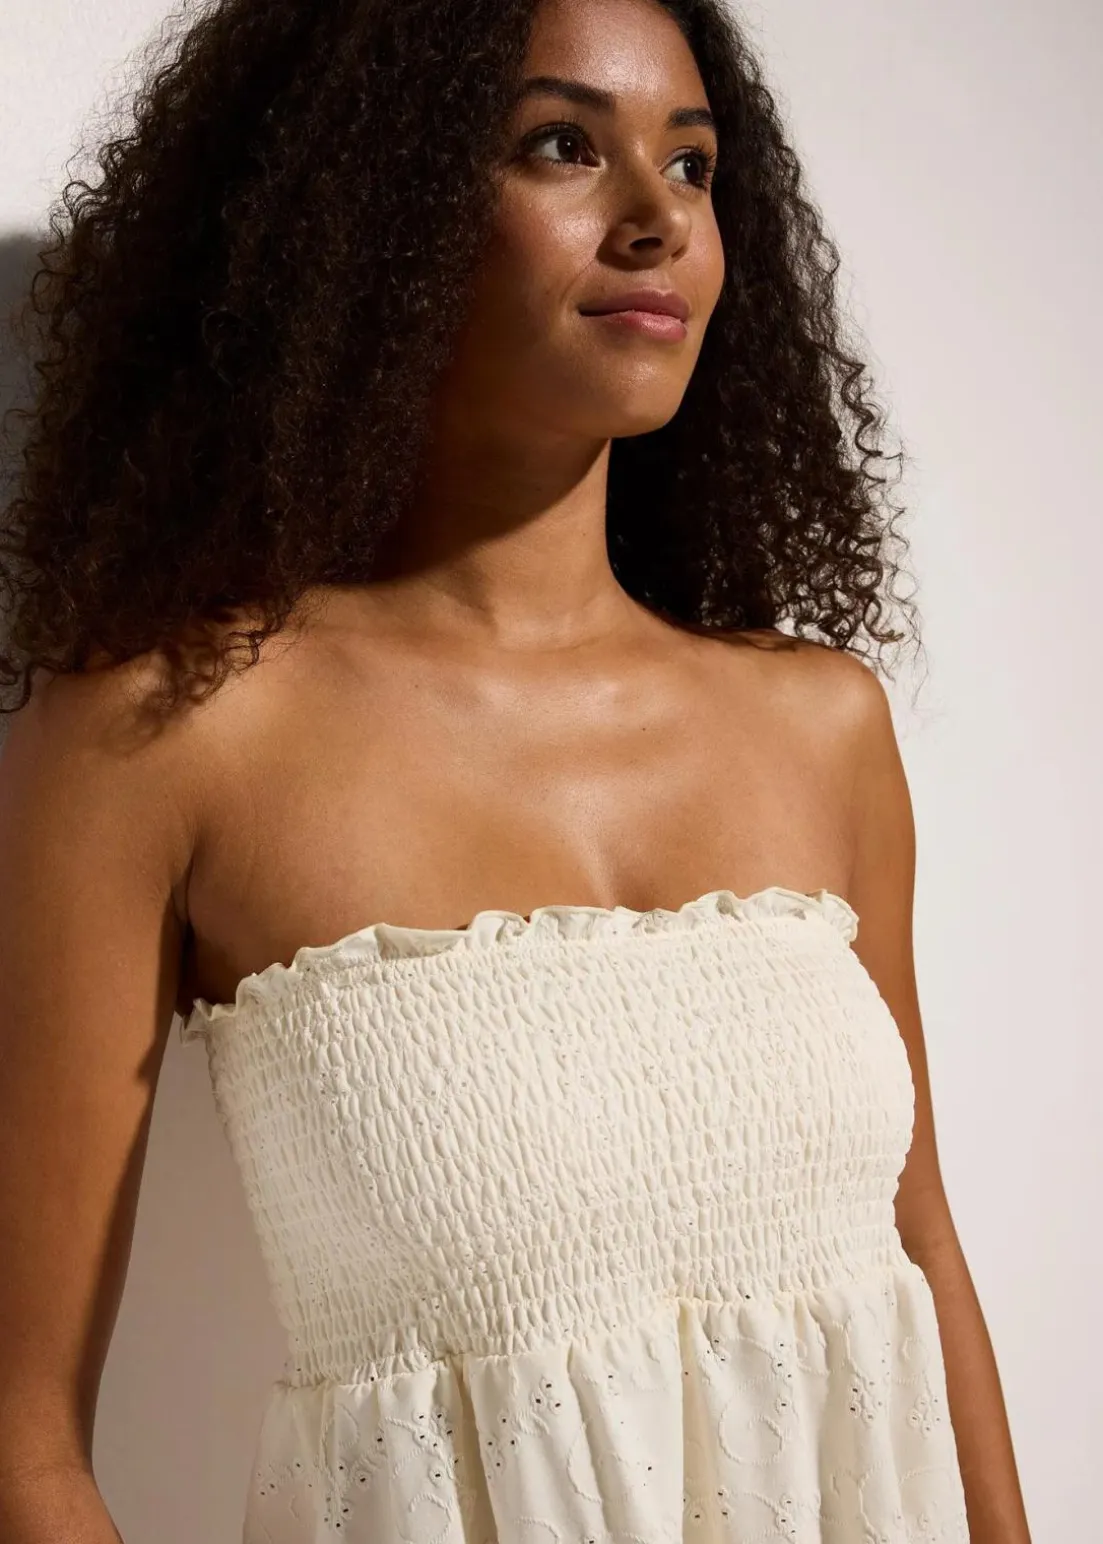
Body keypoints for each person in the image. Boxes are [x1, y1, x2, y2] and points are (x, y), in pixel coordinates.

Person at [0, 0, 1033, 1540]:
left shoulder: (819, 725)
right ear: (376, 208)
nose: (654, 218)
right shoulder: (168, 736)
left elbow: (919, 1259)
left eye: (692, 165)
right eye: (561, 145)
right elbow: (20, 1440)